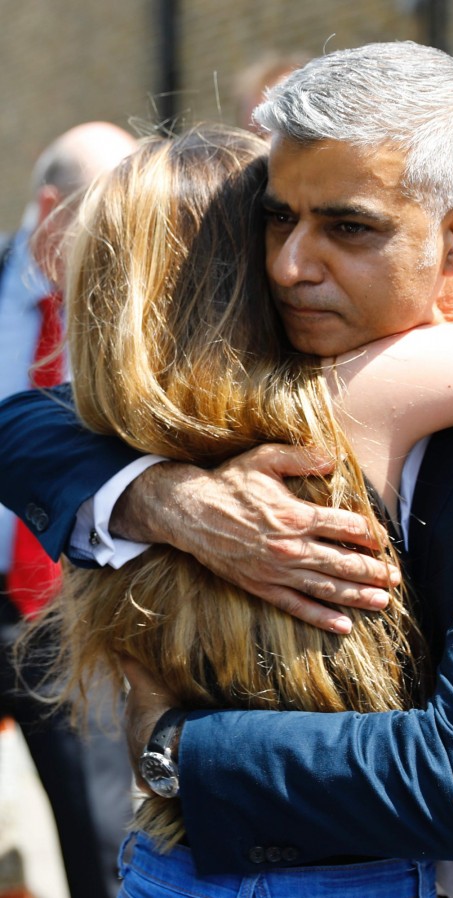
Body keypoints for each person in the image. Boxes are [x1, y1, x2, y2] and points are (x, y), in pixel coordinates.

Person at [0, 42, 453, 898]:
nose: (289, 265)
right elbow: (28, 424)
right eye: (278, 219)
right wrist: (163, 498)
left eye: (348, 228)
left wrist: (175, 750)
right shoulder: (284, 335)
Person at [0, 122, 138, 898]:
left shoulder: (137, 295)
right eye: (105, 212)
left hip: (73, 610)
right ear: (50, 208)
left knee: (101, 840)